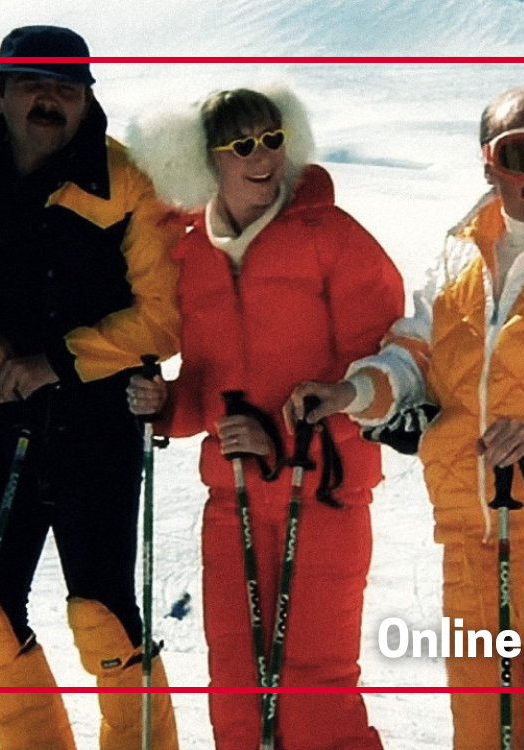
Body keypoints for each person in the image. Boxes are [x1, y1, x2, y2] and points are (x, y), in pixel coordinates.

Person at [286, 86, 524, 750]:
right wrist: (350, 392)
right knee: (483, 728)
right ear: (490, 165)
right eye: (523, 154)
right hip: (469, 526)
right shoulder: (459, 253)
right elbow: (414, 355)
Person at [0, 26, 181, 750]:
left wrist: (56, 361)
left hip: (96, 425)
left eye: (67, 87)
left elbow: (163, 317)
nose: (50, 99)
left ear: (87, 100)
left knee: (104, 621)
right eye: (32, 84)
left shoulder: (125, 181)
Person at [125, 86, 403, 750]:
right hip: (233, 495)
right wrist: (166, 405)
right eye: (242, 145)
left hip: (324, 491)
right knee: (236, 684)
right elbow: (205, 382)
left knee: (313, 686)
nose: (263, 156)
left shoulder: (331, 237)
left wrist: (279, 437)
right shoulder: (190, 252)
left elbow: (385, 366)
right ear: (206, 160)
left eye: (273, 138)